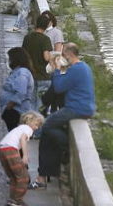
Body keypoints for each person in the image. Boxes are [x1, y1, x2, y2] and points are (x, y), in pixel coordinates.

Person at [34, 43, 95, 188]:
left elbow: (59, 86)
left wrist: (56, 70)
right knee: (49, 133)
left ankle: (66, 145)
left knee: (46, 126)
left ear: (68, 54)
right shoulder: (84, 67)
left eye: (63, 54)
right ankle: (48, 171)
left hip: (76, 108)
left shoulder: (75, 69)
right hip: (84, 107)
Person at [0, 111, 43, 206]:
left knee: (14, 177)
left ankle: (12, 198)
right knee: (24, 177)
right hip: (10, 150)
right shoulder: (27, 129)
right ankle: (17, 200)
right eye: (36, 125)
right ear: (29, 121)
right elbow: (23, 139)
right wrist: (25, 156)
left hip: (2, 150)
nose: (36, 128)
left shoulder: (18, 128)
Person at [0, 47, 35, 131]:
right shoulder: (18, 71)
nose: (9, 61)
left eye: (10, 59)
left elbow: (21, 91)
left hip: (16, 110)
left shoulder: (22, 72)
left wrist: (9, 105)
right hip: (14, 110)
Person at [22, 15, 54, 109]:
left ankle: (29, 122)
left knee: (30, 103)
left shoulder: (27, 37)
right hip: (43, 76)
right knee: (40, 105)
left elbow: (23, 54)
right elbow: (46, 57)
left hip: (30, 75)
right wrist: (52, 57)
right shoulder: (45, 39)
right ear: (46, 26)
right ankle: (38, 123)